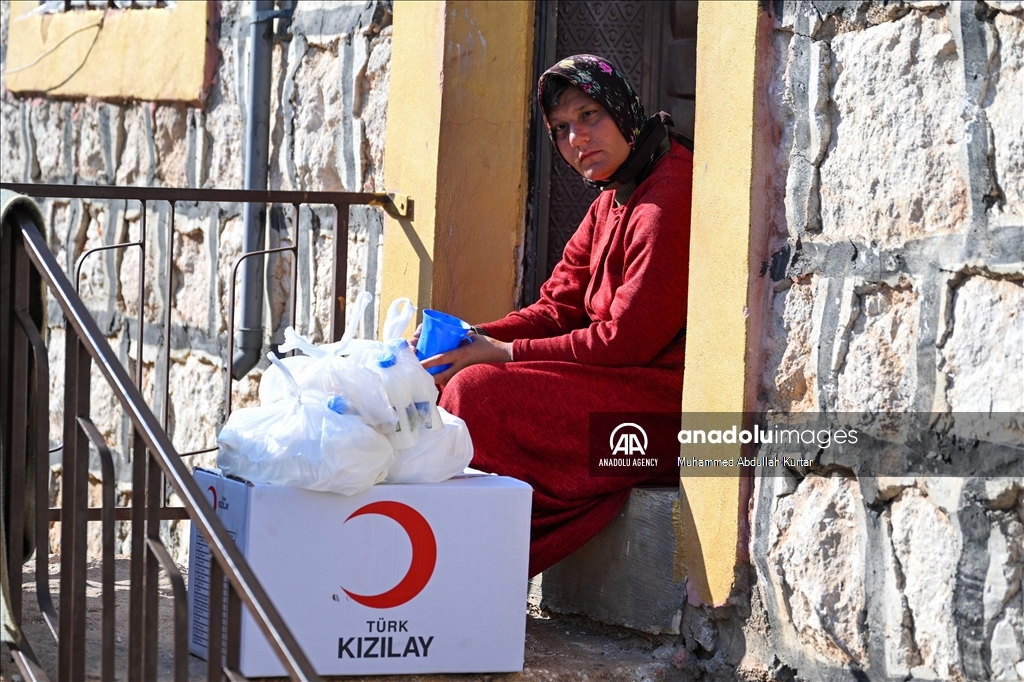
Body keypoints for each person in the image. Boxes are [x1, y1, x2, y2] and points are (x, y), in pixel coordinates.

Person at [420, 55, 693, 577]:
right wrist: (467, 340)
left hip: (657, 421)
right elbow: (556, 308)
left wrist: (501, 354)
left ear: (621, 109)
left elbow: (624, 342)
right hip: (614, 386)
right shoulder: (613, 196)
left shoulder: (669, 196)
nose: (577, 139)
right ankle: (454, 569)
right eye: (561, 128)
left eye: (589, 115)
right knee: (442, 379)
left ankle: (477, 571)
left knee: (478, 394)